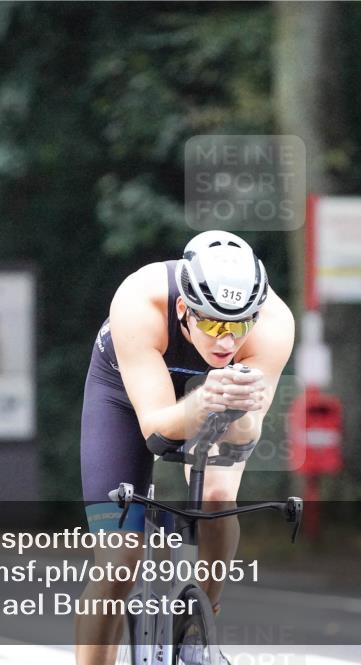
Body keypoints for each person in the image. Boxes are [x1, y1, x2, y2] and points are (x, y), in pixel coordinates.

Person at [76, 230, 295, 665]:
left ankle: (199, 623)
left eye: (239, 326)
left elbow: (245, 431)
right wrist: (201, 403)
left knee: (217, 497)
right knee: (119, 563)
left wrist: (233, 412)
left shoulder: (274, 324)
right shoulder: (139, 301)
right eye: (213, 324)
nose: (226, 342)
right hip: (124, 392)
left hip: (215, 399)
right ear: (183, 308)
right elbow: (158, 432)